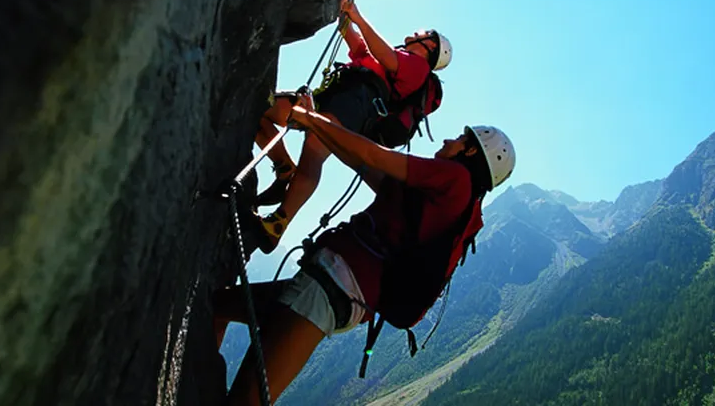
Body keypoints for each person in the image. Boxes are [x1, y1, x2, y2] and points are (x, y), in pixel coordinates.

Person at [214, 94, 515, 405]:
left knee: (247, 400)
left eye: (460, 138)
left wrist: (309, 119)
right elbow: (362, 162)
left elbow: (373, 156)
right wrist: (319, 124)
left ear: (469, 151)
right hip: (341, 291)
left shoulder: (455, 177)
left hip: (333, 286)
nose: (449, 139)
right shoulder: (446, 201)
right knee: (218, 306)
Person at [251, 0, 454, 254]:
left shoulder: (418, 68)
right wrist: (345, 16)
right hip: (342, 94)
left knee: (314, 150)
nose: (415, 33)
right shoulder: (394, 60)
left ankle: (278, 224)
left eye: (424, 33)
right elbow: (361, 48)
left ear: (431, 48)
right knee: (262, 110)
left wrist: (357, 16)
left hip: (357, 102)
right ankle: (284, 168)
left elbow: (386, 55)